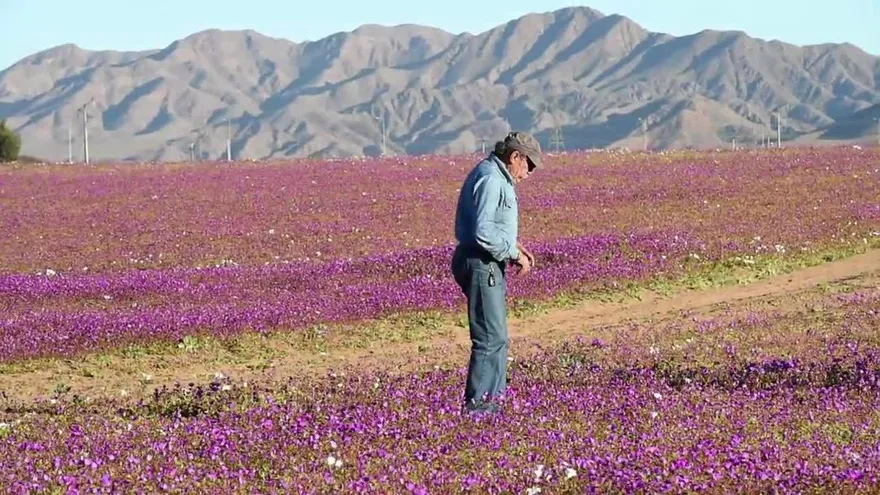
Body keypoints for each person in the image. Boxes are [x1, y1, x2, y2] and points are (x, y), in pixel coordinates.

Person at [451, 131, 541, 415]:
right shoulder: (492, 178)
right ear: (515, 156)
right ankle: (480, 411)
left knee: (497, 338)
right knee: (490, 339)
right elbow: (483, 232)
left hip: (486, 261)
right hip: (481, 263)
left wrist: (513, 245)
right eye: (528, 166)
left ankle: (494, 404)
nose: (528, 174)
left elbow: (490, 227)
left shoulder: (494, 175)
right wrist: (513, 253)